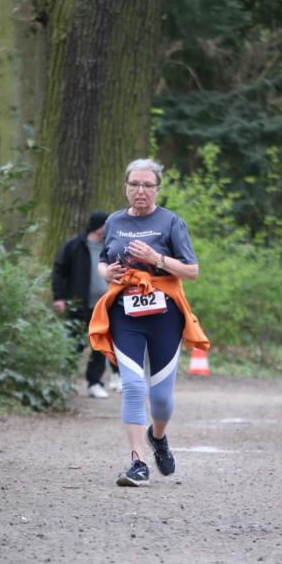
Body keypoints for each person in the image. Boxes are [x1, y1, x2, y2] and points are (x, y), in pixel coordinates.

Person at [89, 158, 209, 486]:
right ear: (126, 187)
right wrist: (107, 273)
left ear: (157, 189)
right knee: (132, 385)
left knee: (161, 399)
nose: (140, 191)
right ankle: (138, 462)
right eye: (134, 184)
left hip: (164, 316)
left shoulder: (171, 222)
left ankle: (158, 436)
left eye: (147, 185)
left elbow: (192, 271)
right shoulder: (113, 221)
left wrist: (155, 259)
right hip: (124, 314)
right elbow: (103, 262)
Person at [52, 211, 121, 398]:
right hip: (78, 304)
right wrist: (58, 297)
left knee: (100, 345)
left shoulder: (111, 246)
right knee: (75, 342)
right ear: (98, 226)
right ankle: (66, 380)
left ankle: (95, 383)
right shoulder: (74, 246)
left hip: (104, 305)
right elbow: (58, 271)